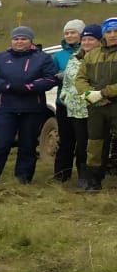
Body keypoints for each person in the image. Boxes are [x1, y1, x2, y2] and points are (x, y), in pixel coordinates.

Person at [0, 25, 58, 186]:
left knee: (28, 144)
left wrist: (30, 87)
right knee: (1, 143)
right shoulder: (0, 58)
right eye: (16, 39)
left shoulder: (42, 58)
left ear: (30, 41)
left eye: (23, 39)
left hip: (33, 107)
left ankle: (23, 178)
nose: (19, 42)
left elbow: (50, 78)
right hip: (7, 107)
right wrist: (7, 86)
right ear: (11, 40)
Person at [73, 17, 117, 192]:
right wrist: (89, 94)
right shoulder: (92, 54)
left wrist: (104, 93)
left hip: (114, 103)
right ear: (104, 34)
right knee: (95, 143)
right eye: (108, 31)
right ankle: (94, 180)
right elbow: (80, 78)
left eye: (115, 31)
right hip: (96, 107)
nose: (112, 35)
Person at [58, 23, 100, 189]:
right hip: (74, 108)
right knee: (74, 142)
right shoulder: (75, 57)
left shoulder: (101, 57)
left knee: (87, 144)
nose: (87, 42)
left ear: (99, 41)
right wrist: (65, 96)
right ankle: (79, 175)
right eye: (84, 39)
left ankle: (88, 175)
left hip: (93, 107)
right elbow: (68, 80)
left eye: (91, 39)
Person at [51, 20, 85, 183]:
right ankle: (61, 175)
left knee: (83, 140)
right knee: (65, 139)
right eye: (67, 33)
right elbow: (50, 76)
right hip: (63, 102)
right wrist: (56, 76)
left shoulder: (88, 50)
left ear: (81, 34)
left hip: (83, 103)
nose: (69, 36)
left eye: (73, 32)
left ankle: (84, 175)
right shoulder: (59, 55)